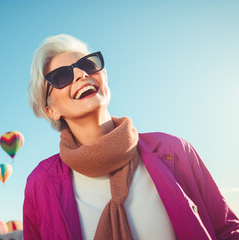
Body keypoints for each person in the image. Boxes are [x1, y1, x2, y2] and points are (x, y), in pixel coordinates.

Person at [23, 34, 239, 240]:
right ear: (50, 110)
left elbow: (227, 229)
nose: (81, 74)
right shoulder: (40, 184)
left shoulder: (174, 150)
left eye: (88, 65)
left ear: (104, 77)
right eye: (62, 76)